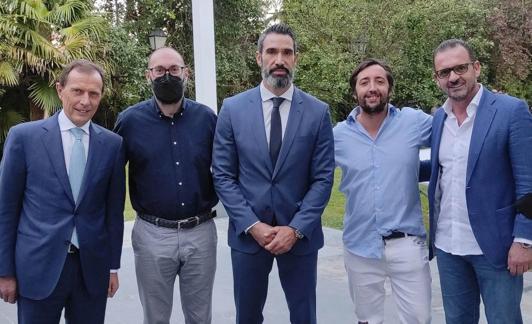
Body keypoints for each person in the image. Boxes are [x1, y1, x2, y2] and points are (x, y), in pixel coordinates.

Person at [212, 23, 335, 324]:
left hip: (300, 236)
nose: (279, 59)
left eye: (286, 52)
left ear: (296, 58)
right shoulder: (232, 109)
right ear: (259, 58)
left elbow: (322, 178)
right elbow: (224, 175)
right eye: (272, 52)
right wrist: (252, 224)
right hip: (249, 237)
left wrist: (295, 229)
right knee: (248, 316)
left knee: (304, 316)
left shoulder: (318, 112)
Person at [0, 59, 125, 324]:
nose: (85, 101)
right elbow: (6, 209)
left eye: (94, 94)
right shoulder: (24, 137)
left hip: (91, 271)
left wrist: (113, 268)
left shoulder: (112, 145)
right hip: (38, 269)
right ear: (60, 90)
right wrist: (5, 272)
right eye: (77, 91)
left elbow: (113, 213)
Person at [428, 38, 532, 323]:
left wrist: (524, 240)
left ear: (476, 67)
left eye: (460, 68)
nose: (453, 77)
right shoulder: (439, 119)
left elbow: (529, 181)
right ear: (437, 78)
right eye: (444, 72)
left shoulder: (511, 111)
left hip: (496, 247)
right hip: (448, 246)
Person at [114, 47, 218, 324]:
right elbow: (111, 177)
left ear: (186, 74)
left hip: (201, 232)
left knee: (200, 317)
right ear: (149, 75)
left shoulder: (207, 119)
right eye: (159, 70)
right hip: (152, 234)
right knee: (156, 318)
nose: (167, 76)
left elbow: (226, 170)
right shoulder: (129, 121)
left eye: (174, 69)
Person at [334, 58, 432, 324]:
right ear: (355, 91)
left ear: (390, 88)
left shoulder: (415, 122)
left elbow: (456, 130)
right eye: (364, 82)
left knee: (419, 319)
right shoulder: (338, 136)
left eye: (379, 81)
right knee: (367, 319)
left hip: (407, 243)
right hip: (360, 245)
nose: (372, 88)